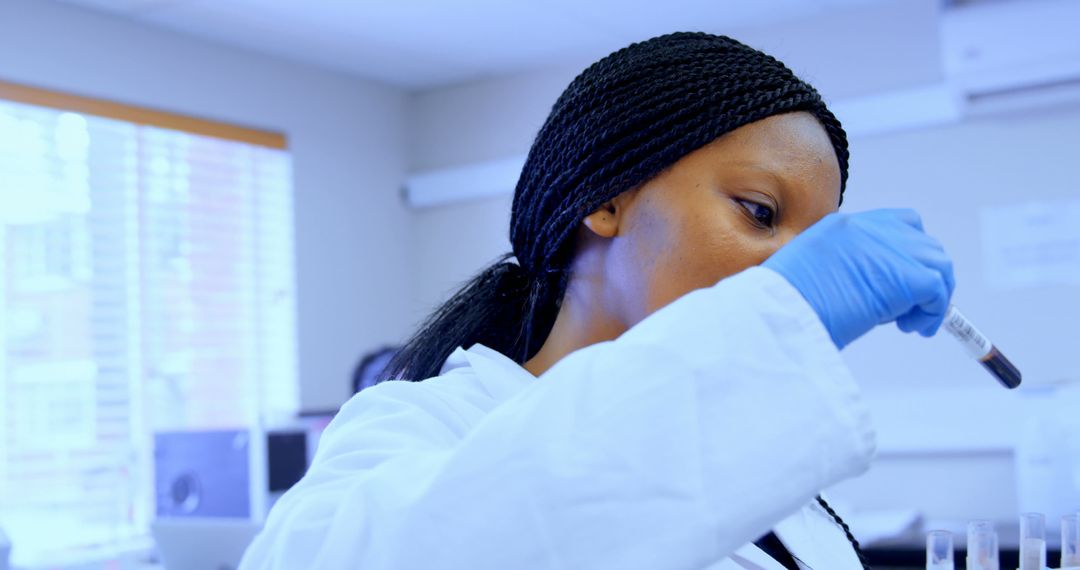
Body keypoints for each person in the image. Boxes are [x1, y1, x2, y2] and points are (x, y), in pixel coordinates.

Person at [239, 32, 954, 570]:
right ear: (606, 199)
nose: (792, 261)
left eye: (817, 243)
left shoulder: (760, 451)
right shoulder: (423, 427)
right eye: (761, 212)